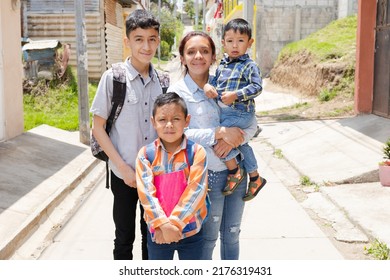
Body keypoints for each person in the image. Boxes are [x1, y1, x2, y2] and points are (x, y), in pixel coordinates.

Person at [167, 31, 258, 260]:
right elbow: (177, 134)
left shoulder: (228, 82)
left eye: (205, 51)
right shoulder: (177, 93)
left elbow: (251, 122)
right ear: (182, 58)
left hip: (238, 172)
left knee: (232, 235)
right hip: (204, 177)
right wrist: (218, 133)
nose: (198, 56)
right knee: (207, 240)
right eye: (191, 52)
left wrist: (234, 139)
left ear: (214, 56)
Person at [90, 9, 161, 260]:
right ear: (127, 41)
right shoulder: (114, 79)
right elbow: (98, 128)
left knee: (151, 236)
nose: (146, 45)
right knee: (124, 238)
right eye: (139, 39)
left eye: (152, 39)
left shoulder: (163, 81)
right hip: (123, 174)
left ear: (158, 41)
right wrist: (123, 167)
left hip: (155, 175)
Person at [135, 92, 209, 260]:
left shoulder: (197, 152)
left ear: (187, 121)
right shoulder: (146, 154)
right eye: (162, 120)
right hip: (159, 233)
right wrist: (163, 225)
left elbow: (196, 190)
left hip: (191, 231)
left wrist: (173, 225)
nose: (169, 125)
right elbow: (146, 194)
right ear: (153, 122)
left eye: (176, 119)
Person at [203, 18, 266, 201]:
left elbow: (257, 87)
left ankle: (234, 171)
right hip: (227, 112)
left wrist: (236, 95)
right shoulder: (222, 64)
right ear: (223, 43)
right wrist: (208, 86)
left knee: (218, 139)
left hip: (240, 112)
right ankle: (255, 177)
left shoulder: (249, 65)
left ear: (249, 43)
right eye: (230, 41)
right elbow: (215, 83)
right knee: (241, 143)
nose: (235, 45)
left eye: (240, 41)